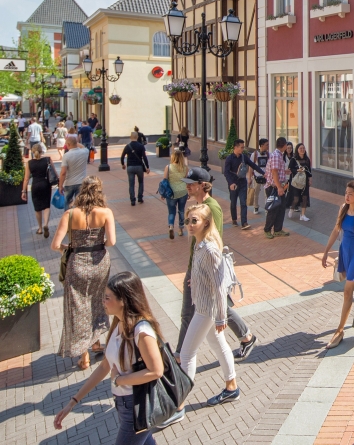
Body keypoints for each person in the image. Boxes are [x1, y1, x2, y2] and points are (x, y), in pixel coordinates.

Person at [53, 272, 165, 444]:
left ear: (123, 300)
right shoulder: (118, 324)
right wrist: (73, 402)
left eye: (107, 298)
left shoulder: (142, 331)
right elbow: (104, 366)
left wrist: (120, 380)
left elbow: (156, 371)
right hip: (124, 404)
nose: (103, 302)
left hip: (139, 406)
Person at [174, 168, 256, 376]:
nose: (187, 187)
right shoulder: (200, 206)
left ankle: (179, 356)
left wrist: (199, 273)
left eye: (191, 183)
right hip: (197, 268)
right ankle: (245, 337)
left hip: (204, 269)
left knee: (199, 311)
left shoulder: (212, 208)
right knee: (215, 309)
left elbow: (215, 242)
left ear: (202, 184)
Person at [174, 204, 242, 422]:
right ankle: (231, 387)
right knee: (218, 344)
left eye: (194, 221)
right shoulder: (199, 245)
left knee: (186, 354)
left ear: (205, 222)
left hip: (207, 310)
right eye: (187, 221)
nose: (190, 225)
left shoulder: (210, 249)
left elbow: (220, 286)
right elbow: (208, 277)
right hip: (204, 306)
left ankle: (179, 404)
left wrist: (222, 316)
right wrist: (197, 279)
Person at [51, 176, 116, 370]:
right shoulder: (106, 212)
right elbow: (111, 241)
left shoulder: (70, 214)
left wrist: (69, 248)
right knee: (98, 301)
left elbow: (55, 245)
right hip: (99, 263)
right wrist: (97, 247)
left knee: (79, 307)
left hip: (76, 264)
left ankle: (84, 354)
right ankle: (96, 341)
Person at [321, 181, 354, 348]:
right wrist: (326, 251)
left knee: (347, 290)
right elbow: (336, 230)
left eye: (350, 194)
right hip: (346, 250)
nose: (346, 196)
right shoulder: (343, 209)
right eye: (346, 193)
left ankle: (339, 330)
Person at [223, 139, 265, 230]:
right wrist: (231, 183)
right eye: (241, 147)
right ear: (236, 147)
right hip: (233, 184)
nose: (243, 149)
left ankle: (244, 223)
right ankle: (234, 219)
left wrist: (263, 173)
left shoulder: (244, 157)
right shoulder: (229, 159)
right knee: (233, 203)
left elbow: (253, 165)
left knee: (243, 203)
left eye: (243, 147)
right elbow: (226, 172)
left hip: (242, 183)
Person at [23, 143, 54, 237]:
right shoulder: (47, 159)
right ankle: (46, 224)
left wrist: (23, 191)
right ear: (42, 151)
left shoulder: (29, 163)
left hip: (35, 185)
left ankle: (40, 228)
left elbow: (26, 178)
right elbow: (54, 173)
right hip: (46, 184)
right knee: (46, 206)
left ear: (33, 151)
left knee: (37, 208)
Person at [264, 137, 292, 239]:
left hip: (278, 186)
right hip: (274, 187)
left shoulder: (278, 155)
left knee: (281, 208)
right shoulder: (276, 155)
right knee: (273, 209)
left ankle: (277, 229)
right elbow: (274, 172)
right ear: (284, 145)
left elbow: (277, 171)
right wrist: (279, 187)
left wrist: (285, 172)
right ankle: (267, 229)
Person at [120, 131, 150, 206]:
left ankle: (132, 200)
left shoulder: (127, 146)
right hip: (139, 166)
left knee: (131, 184)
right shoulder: (141, 146)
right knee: (141, 182)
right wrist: (147, 167)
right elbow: (144, 157)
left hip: (130, 167)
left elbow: (122, 156)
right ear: (137, 137)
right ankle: (140, 197)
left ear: (130, 137)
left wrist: (123, 164)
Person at [58, 135, 90, 208]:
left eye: (66, 144)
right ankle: (80, 218)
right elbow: (83, 147)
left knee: (67, 204)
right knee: (81, 204)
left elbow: (63, 173)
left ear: (68, 144)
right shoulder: (85, 152)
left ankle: (69, 218)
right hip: (81, 182)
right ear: (76, 143)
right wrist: (75, 142)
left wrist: (60, 186)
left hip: (69, 183)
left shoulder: (66, 156)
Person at [164, 149, 189, 239]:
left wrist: (163, 194)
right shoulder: (185, 168)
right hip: (183, 191)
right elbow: (187, 180)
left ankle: (171, 226)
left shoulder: (168, 167)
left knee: (171, 212)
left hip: (171, 192)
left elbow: (165, 180)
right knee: (181, 210)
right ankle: (181, 229)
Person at [287, 143, 313, 221]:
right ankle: (292, 208)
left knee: (305, 197)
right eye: (300, 148)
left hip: (304, 181)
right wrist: (297, 170)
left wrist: (310, 179)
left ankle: (302, 215)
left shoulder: (307, 159)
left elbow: (309, 170)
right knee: (296, 198)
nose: (302, 150)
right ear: (297, 150)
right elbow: (290, 169)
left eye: (303, 148)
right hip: (296, 181)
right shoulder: (293, 159)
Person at [249, 138, 270, 214]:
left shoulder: (268, 154)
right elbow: (251, 166)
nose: (268, 146)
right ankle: (256, 206)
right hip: (256, 177)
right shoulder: (254, 154)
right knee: (256, 193)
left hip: (266, 177)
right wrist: (249, 178)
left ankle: (267, 208)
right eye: (266, 145)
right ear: (261, 145)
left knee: (266, 193)